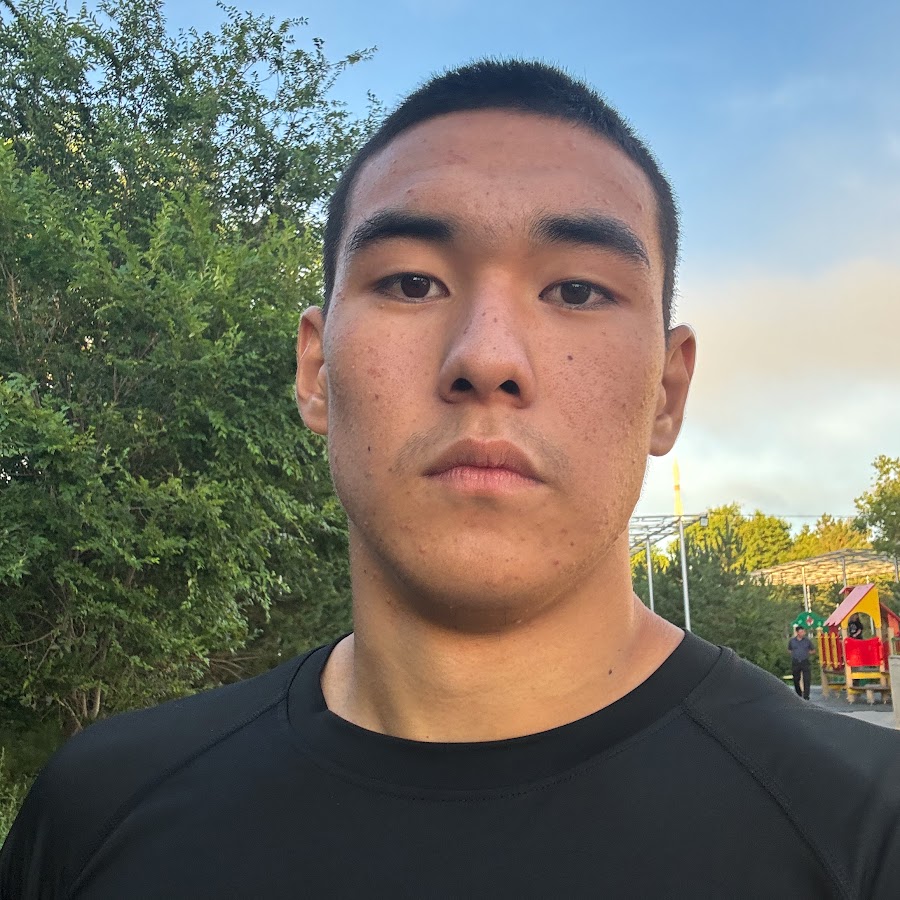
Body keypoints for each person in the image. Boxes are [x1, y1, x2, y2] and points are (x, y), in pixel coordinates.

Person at [3, 60, 900, 899]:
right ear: (317, 372)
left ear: (666, 392)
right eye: (411, 283)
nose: (487, 358)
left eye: (577, 291)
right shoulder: (96, 815)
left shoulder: (866, 832)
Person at [788, 626, 815, 700]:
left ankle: (806, 696)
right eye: (801, 632)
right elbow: (789, 650)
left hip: (805, 661)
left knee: (807, 679)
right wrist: (794, 655)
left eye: (803, 631)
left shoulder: (807, 641)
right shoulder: (792, 641)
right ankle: (798, 694)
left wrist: (808, 653)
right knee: (796, 679)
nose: (803, 633)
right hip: (796, 662)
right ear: (797, 633)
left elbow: (813, 650)